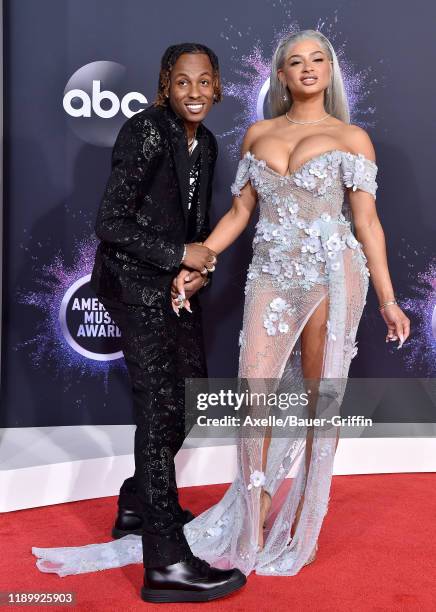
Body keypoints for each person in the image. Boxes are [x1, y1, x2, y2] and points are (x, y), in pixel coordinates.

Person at [32, 29, 410, 580]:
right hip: (270, 276)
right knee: (255, 397)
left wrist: (388, 299)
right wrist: (197, 261)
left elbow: (367, 223)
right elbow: (237, 215)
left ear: (330, 70)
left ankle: (302, 513)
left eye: (318, 60)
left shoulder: (353, 139)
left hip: (332, 274)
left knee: (314, 399)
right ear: (279, 75)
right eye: (295, 62)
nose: (307, 69)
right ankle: (252, 505)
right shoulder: (256, 134)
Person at [32, 43, 246, 603]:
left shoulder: (209, 144)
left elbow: (195, 231)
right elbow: (111, 222)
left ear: (218, 87)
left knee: (188, 403)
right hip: (132, 287)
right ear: (165, 86)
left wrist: (192, 268)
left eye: (204, 82)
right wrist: (180, 252)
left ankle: (135, 502)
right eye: (182, 82)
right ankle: (167, 564)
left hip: (172, 290)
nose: (194, 92)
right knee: (158, 409)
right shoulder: (147, 130)